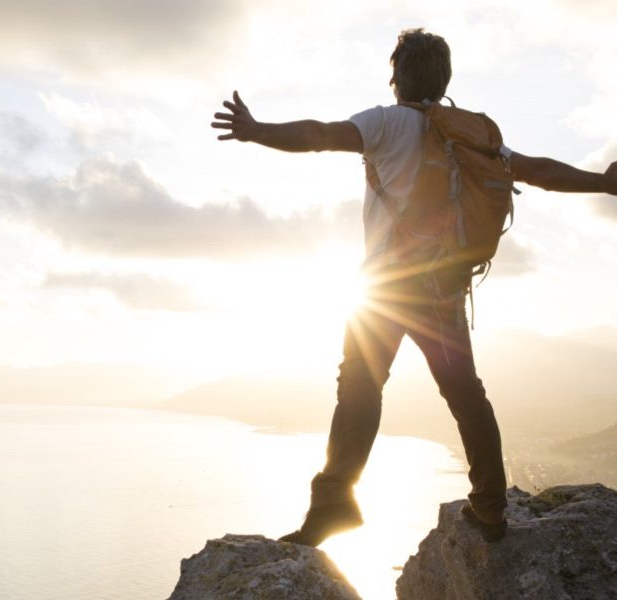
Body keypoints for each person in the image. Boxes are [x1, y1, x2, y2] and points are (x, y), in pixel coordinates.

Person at [211, 28, 617, 545]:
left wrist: (255, 129)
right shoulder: (471, 134)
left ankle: (332, 506)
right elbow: (537, 171)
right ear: (444, 81)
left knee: (359, 386)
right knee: (466, 394)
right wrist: (602, 182)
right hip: (444, 286)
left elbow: (319, 134)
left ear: (397, 78)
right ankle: (491, 508)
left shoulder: (386, 122)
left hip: (386, 288)